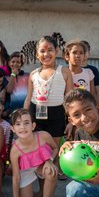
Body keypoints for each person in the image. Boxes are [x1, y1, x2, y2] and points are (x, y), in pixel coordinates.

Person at [24, 36, 73, 172]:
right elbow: (28, 98)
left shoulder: (64, 71)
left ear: (56, 51)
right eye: (42, 51)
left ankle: (49, 188)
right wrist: (22, 118)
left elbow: (70, 99)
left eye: (50, 50)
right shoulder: (33, 74)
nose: (46, 54)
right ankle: (41, 190)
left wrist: (71, 121)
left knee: (53, 153)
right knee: (39, 153)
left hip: (57, 115)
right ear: (37, 54)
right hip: (36, 113)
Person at [7, 109, 58, 197]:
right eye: (18, 124)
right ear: (13, 129)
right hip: (26, 170)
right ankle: (41, 193)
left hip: (42, 165)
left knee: (51, 171)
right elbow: (16, 177)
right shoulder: (15, 150)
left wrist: (49, 160)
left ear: (33, 125)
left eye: (26, 123)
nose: (22, 127)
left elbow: (55, 148)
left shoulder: (43, 136)